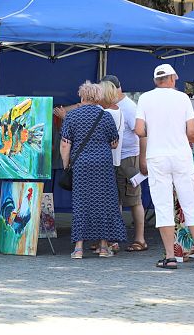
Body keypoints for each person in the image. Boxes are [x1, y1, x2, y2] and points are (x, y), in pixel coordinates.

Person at [135, 64, 194, 269]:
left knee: (163, 206)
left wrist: (156, 131)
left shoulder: (144, 98)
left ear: (155, 81)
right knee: (190, 204)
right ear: (171, 79)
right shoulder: (182, 98)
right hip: (181, 156)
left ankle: (170, 256)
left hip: (157, 156)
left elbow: (139, 130)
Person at [60, 81, 127, 259]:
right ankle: (104, 247)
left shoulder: (72, 116)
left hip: (81, 165)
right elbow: (114, 142)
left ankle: (79, 248)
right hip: (103, 165)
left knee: (82, 203)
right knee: (103, 202)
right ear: (97, 97)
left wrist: (66, 165)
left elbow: (65, 144)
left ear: (82, 96)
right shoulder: (105, 116)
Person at [101, 75, 148, 252]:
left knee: (134, 199)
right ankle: (114, 239)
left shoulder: (129, 108)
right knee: (115, 200)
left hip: (129, 158)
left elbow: (143, 134)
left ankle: (140, 239)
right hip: (113, 158)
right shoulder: (111, 106)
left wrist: (142, 159)